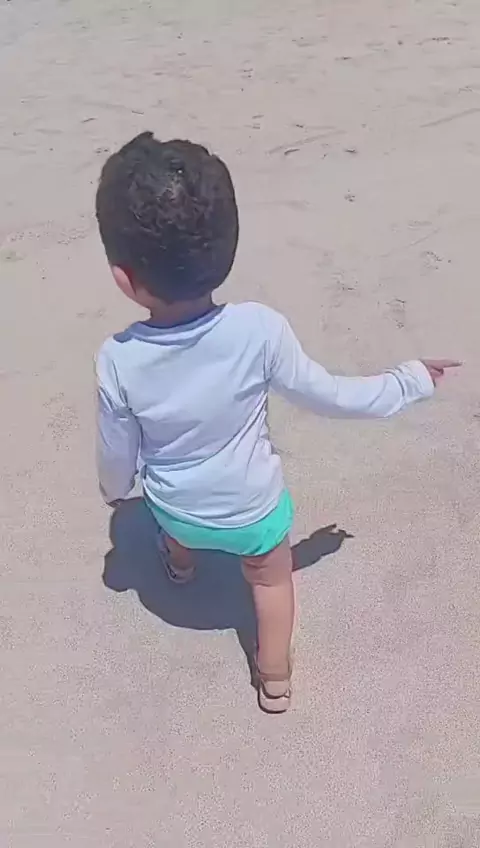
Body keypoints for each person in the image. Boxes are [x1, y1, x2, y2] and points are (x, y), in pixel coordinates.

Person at [95, 132, 459, 713]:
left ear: (124, 277)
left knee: (167, 516)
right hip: (253, 514)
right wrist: (409, 380)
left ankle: (181, 566)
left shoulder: (119, 358)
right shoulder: (259, 330)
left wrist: (116, 491)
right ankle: (274, 677)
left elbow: (118, 455)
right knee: (270, 580)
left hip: (177, 510)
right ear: (228, 247)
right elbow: (332, 396)